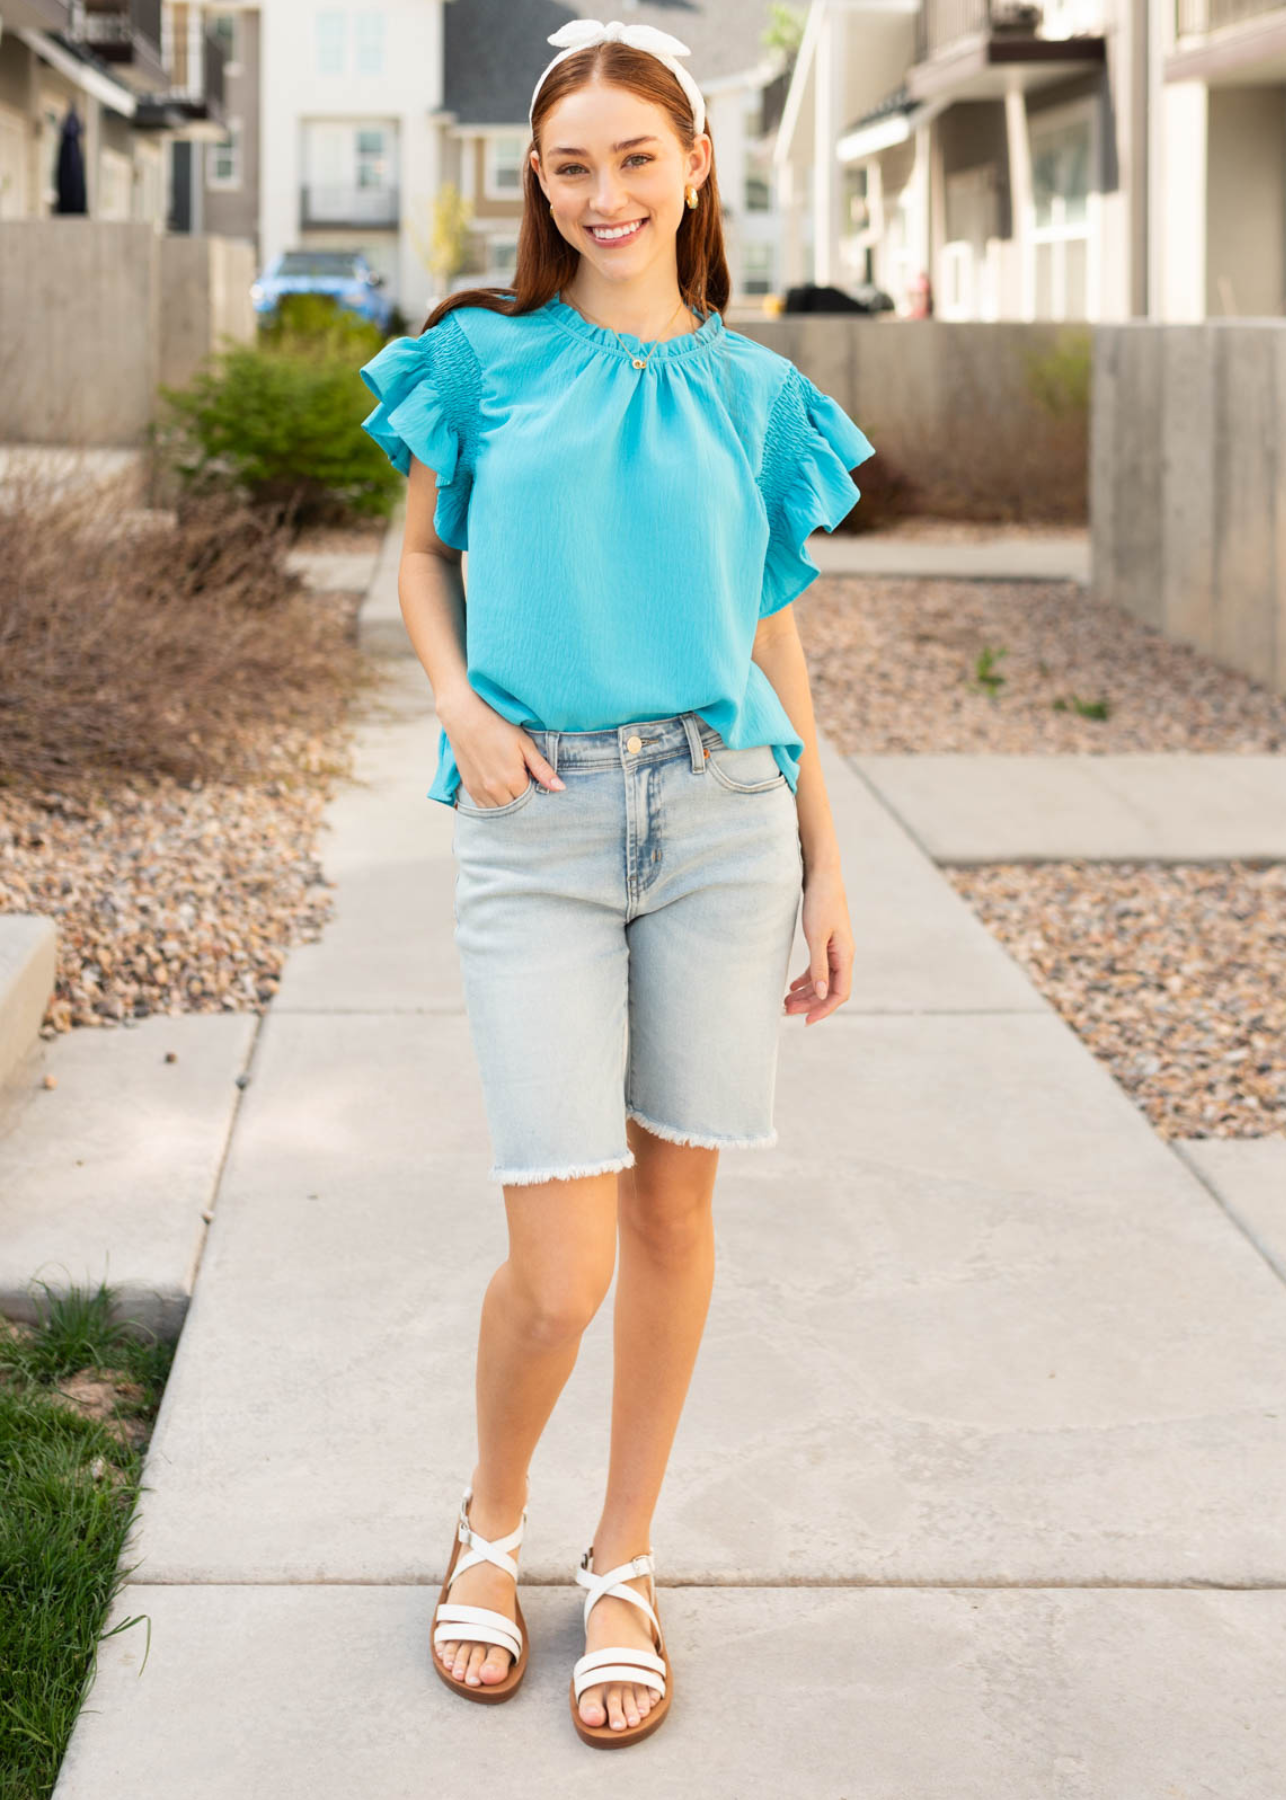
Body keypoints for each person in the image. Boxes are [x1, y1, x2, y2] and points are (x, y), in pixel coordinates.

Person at [358, 16, 875, 1750]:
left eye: (634, 159)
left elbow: (770, 627)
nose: (603, 194)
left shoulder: (756, 393)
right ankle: (487, 1526)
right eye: (569, 164)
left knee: (674, 1218)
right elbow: (422, 555)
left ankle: (626, 1557)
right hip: (543, 826)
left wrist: (822, 854)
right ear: (535, 177)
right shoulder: (484, 360)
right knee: (562, 1258)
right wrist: (454, 705)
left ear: (695, 165)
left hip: (724, 822)